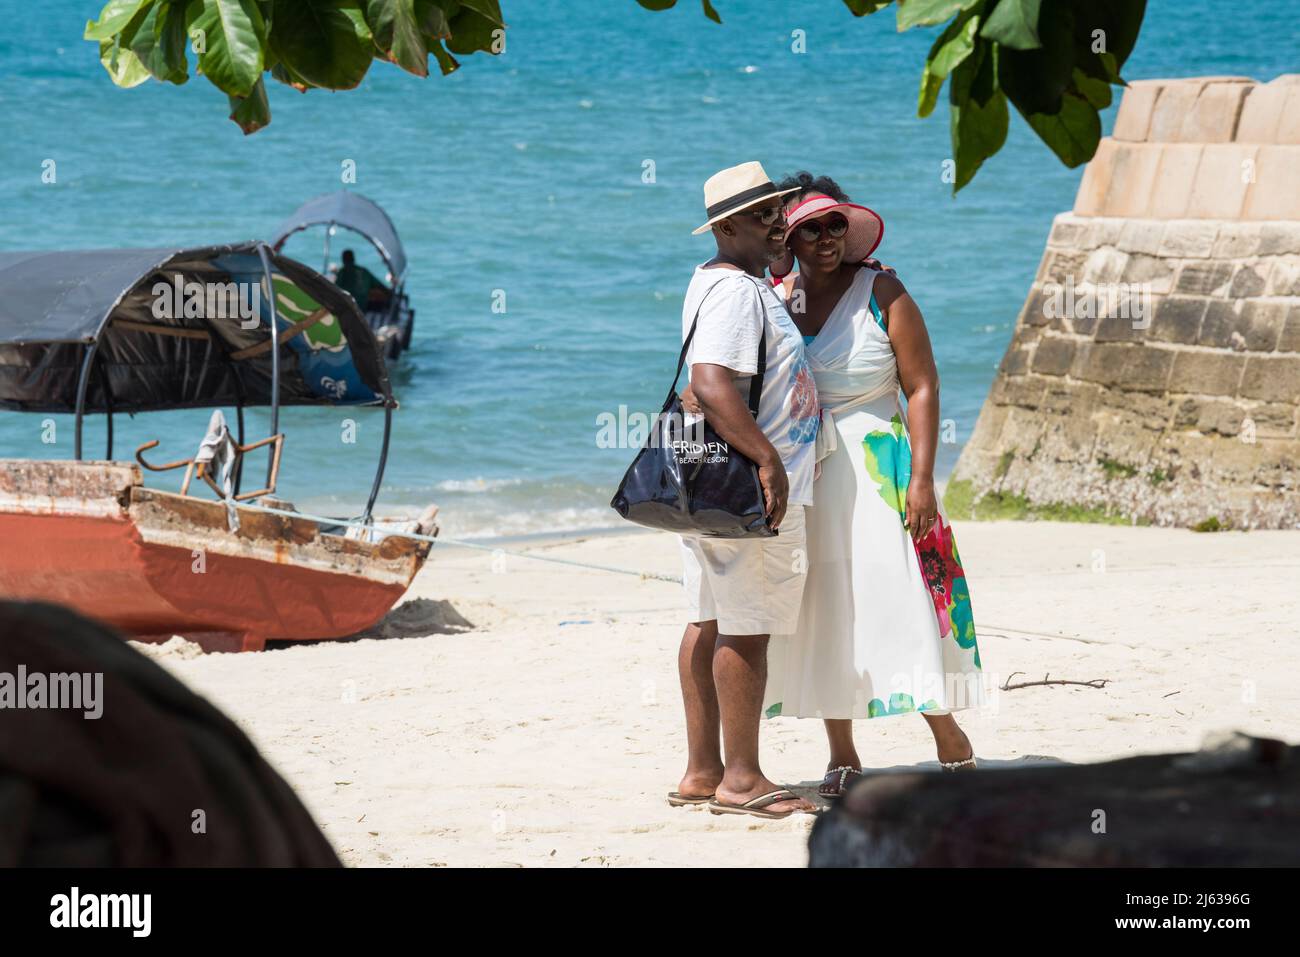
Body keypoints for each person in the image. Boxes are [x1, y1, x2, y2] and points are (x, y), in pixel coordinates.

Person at [685, 172, 986, 799]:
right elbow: (738, 377)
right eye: (809, 229)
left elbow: (923, 385)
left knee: (893, 598)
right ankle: (842, 753)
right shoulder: (777, 296)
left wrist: (925, 479)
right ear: (786, 239)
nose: (825, 238)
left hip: (879, 467)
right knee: (824, 609)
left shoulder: (882, 288)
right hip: (808, 476)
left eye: (835, 225)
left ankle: (946, 732)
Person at [669, 162, 821, 820]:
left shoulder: (717, 281)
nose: (778, 222)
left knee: (708, 617)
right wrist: (767, 459)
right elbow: (710, 380)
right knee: (747, 627)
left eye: (779, 209)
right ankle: (741, 777)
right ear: (727, 227)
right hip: (744, 488)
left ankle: (703, 771)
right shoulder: (736, 292)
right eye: (763, 215)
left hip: (711, 484)